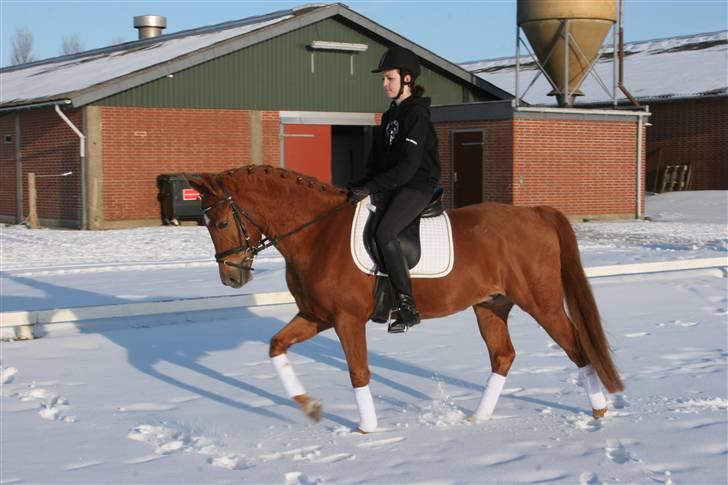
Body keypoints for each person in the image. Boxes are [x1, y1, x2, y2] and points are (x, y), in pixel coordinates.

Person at [348, 45, 441, 334]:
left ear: (407, 79)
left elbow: (407, 168)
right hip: (393, 184)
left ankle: (406, 305)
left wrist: (372, 186)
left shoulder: (417, 116)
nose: (384, 84)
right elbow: (377, 162)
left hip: (417, 185)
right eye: (384, 79)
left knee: (385, 231)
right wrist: (357, 185)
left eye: (389, 78)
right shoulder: (389, 117)